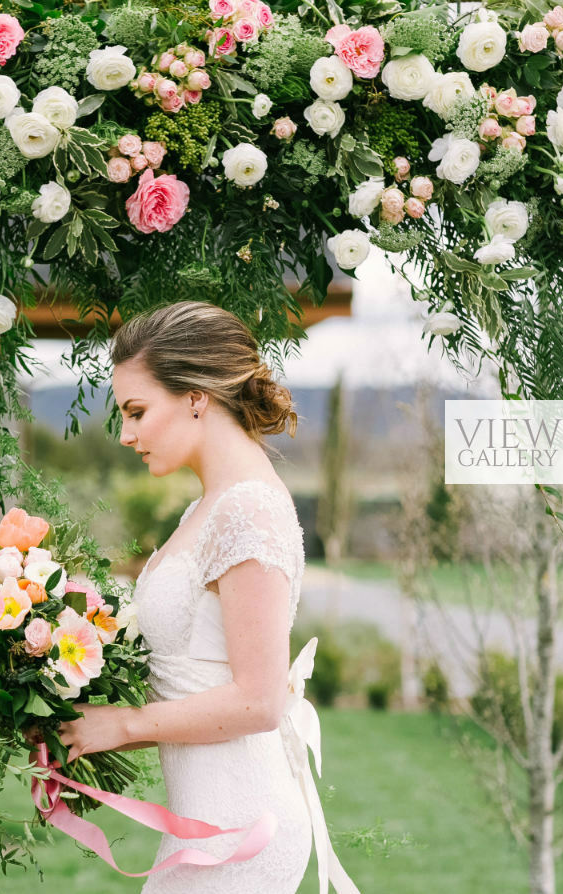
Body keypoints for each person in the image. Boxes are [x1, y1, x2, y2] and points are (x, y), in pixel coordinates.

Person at [50, 301, 360, 894]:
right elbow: (191, 678)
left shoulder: (247, 511)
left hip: (241, 831)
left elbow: (258, 702)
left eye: (137, 411)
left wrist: (122, 725)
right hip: (205, 825)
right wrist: (66, 713)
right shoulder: (207, 508)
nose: (126, 434)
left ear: (196, 396)